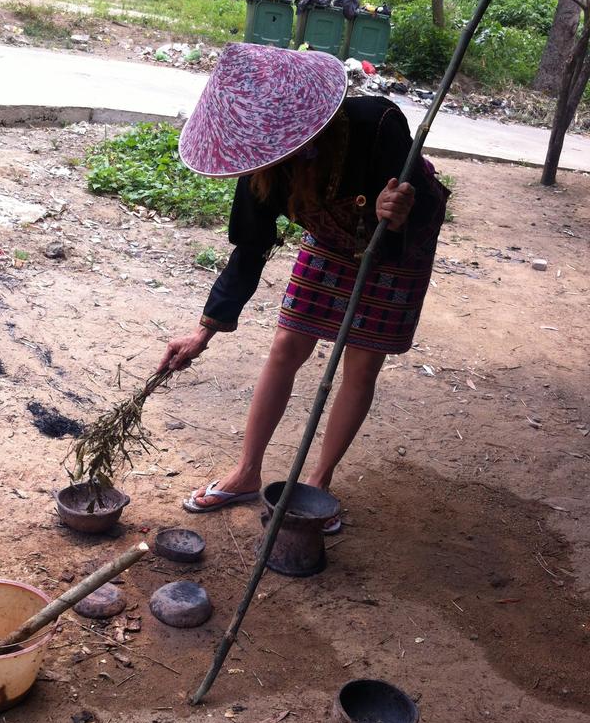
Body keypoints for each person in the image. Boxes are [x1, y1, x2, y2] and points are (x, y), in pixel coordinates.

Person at [159, 43, 448, 532]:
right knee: (287, 344)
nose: (273, 157)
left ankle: (317, 482)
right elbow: (250, 250)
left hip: (397, 247)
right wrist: (202, 333)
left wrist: (397, 211)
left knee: (360, 361)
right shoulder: (261, 164)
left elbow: (416, 204)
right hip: (331, 240)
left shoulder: (377, 122)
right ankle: (248, 472)